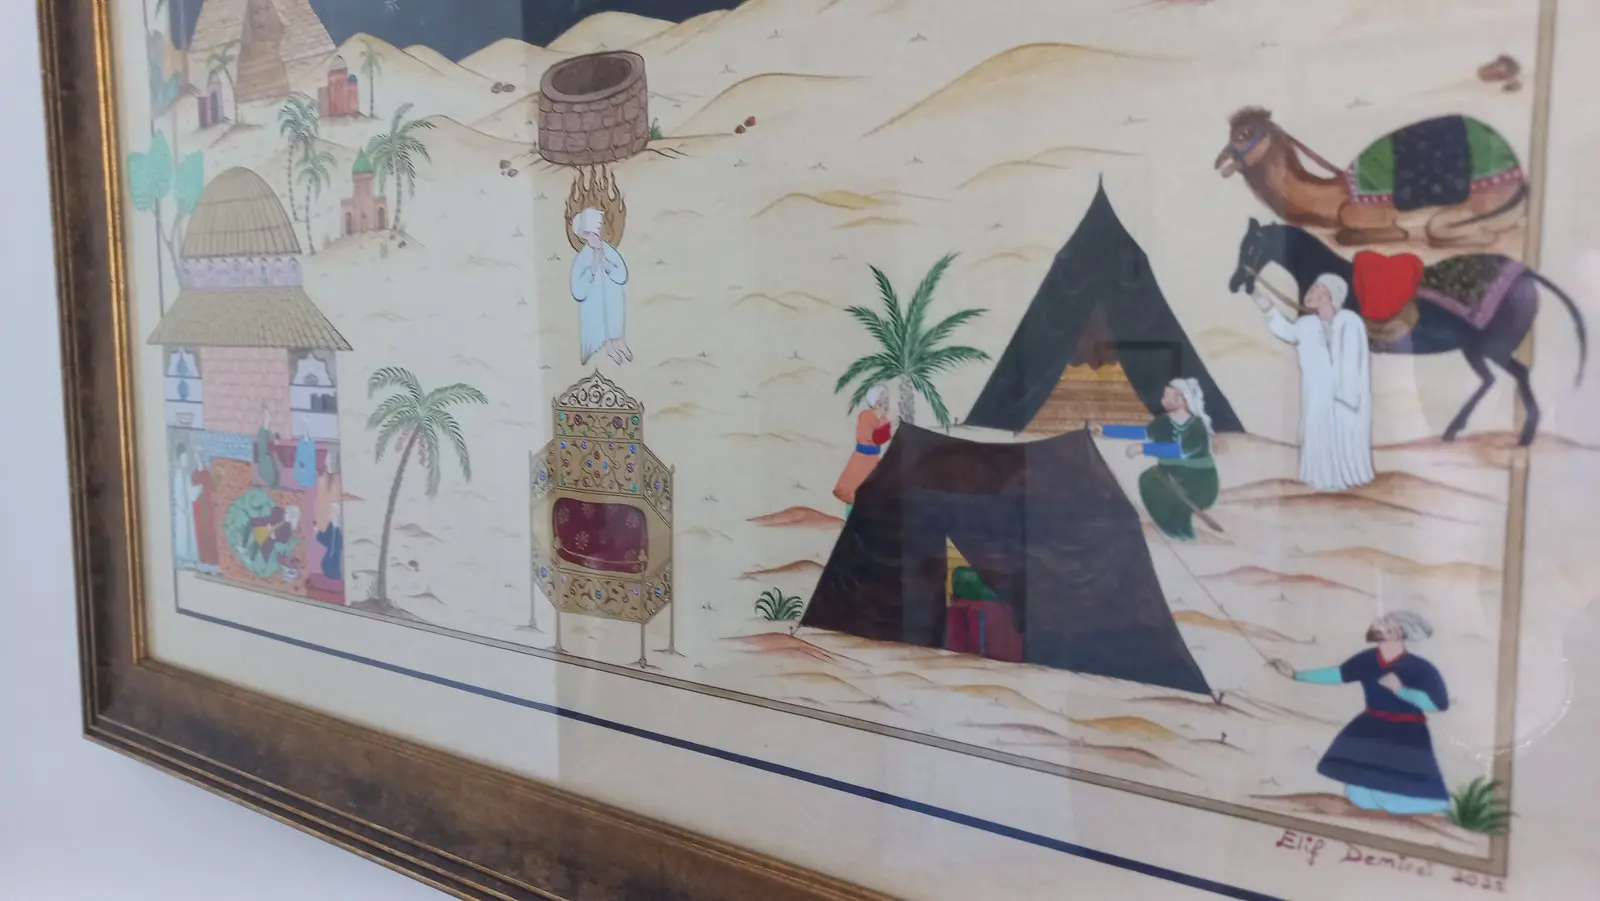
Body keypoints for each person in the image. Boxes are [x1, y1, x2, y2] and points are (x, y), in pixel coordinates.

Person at [1270, 611, 1451, 815]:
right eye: (1381, 624)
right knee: (1359, 794)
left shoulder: (1420, 668)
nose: (1380, 629)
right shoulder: (1368, 659)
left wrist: (1401, 690)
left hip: (1406, 732)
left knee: (1400, 787)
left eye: (1389, 628)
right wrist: (1295, 675)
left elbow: (1438, 704)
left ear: (1401, 634)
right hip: (1372, 725)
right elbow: (1339, 674)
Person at [1260, 273, 1374, 492]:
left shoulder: (1350, 322)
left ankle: (1347, 476)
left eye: (1317, 290)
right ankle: (1322, 479)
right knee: (1319, 434)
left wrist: (1346, 393)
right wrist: (1265, 306)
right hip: (1317, 394)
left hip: (1345, 396)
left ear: (1329, 297)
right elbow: (1286, 331)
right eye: (1312, 288)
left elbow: (1355, 360)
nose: (1310, 293)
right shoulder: (1307, 324)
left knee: (1343, 437)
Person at [1093, 378, 1219, 540]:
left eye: (1168, 395)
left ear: (1182, 399)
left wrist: (1144, 448)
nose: (1163, 399)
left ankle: (1185, 534)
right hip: (1168, 473)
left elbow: (1180, 451)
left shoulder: (1196, 425)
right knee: (1148, 480)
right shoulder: (1164, 421)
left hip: (1197, 478)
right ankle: (1176, 533)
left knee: (1169, 493)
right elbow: (1143, 432)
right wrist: (1106, 430)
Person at [570, 208, 630, 366]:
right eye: (590, 234)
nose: (595, 237)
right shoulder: (582, 258)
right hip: (593, 305)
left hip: (614, 300)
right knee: (600, 325)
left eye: (597, 233)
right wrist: (593, 267)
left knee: (615, 320)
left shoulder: (609, 251)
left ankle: (618, 342)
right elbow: (578, 291)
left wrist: (604, 260)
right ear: (584, 235)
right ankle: (607, 346)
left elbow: (622, 275)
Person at [832, 385, 893, 514]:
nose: (887, 402)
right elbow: (872, 438)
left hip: (872, 459)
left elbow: (884, 438)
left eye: (887, 399)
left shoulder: (882, 418)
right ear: (877, 401)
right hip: (862, 459)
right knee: (855, 491)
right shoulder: (866, 415)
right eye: (884, 398)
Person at [171, 444, 203, 567]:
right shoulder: (179, 475)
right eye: (184, 459)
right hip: (183, 510)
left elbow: (190, 492)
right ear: (180, 460)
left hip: (187, 509)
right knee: (184, 532)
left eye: (187, 458)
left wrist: (198, 489)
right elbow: (178, 494)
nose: (186, 461)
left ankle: (190, 556)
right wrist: (182, 506)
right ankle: (184, 556)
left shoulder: (186, 475)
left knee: (189, 532)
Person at [253, 405, 279, 488]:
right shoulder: (261, 432)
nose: (269, 417)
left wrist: (275, 441)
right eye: (267, 415)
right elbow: (262, 447)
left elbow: (272, 442)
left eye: (269, 414)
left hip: (271, 458)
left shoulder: (269, 431)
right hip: (265, 460)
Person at [317, 503, 344, 581]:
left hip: (336, 566)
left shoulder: (339, 528)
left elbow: (336, 547)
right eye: (331, 511)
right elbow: (326, 541)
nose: (331, 514)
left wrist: (336, 528)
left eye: (334, 512)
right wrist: (318, 533)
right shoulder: (331, 525)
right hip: (327, 565)